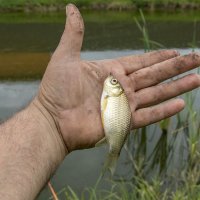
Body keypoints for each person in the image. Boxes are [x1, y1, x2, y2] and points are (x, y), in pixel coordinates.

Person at [0, 3, 200, 200]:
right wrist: (48, 115)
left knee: (116, 139)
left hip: (112, 125)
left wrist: (47, 119)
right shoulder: (111, 94)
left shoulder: (112, 94)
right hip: (111, 122)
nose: (111, 82)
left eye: (113, 82)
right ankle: (113, 153)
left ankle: (113, 152)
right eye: (114, 82)